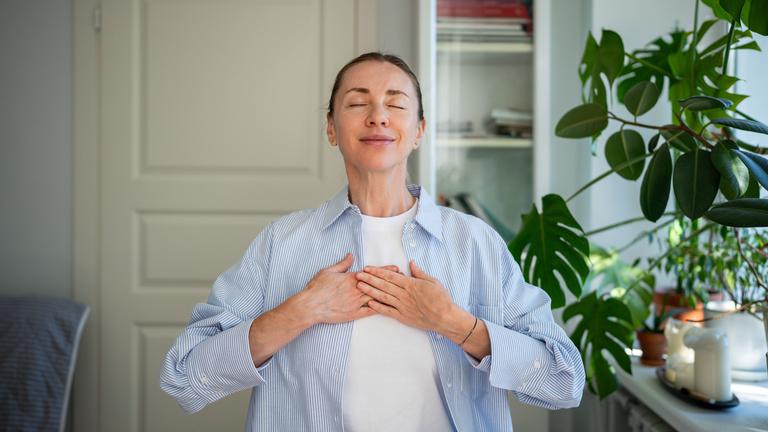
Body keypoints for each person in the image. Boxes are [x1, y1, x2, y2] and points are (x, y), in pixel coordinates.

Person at [160, 52, 585, 432]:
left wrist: (454, 323)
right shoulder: (281, 244)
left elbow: (563, 381)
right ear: (331, 128)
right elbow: (184, 377)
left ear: (418, 131)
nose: (378, 116)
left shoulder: (475, 244)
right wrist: (300, 311)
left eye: (396, 104)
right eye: (357, 103)